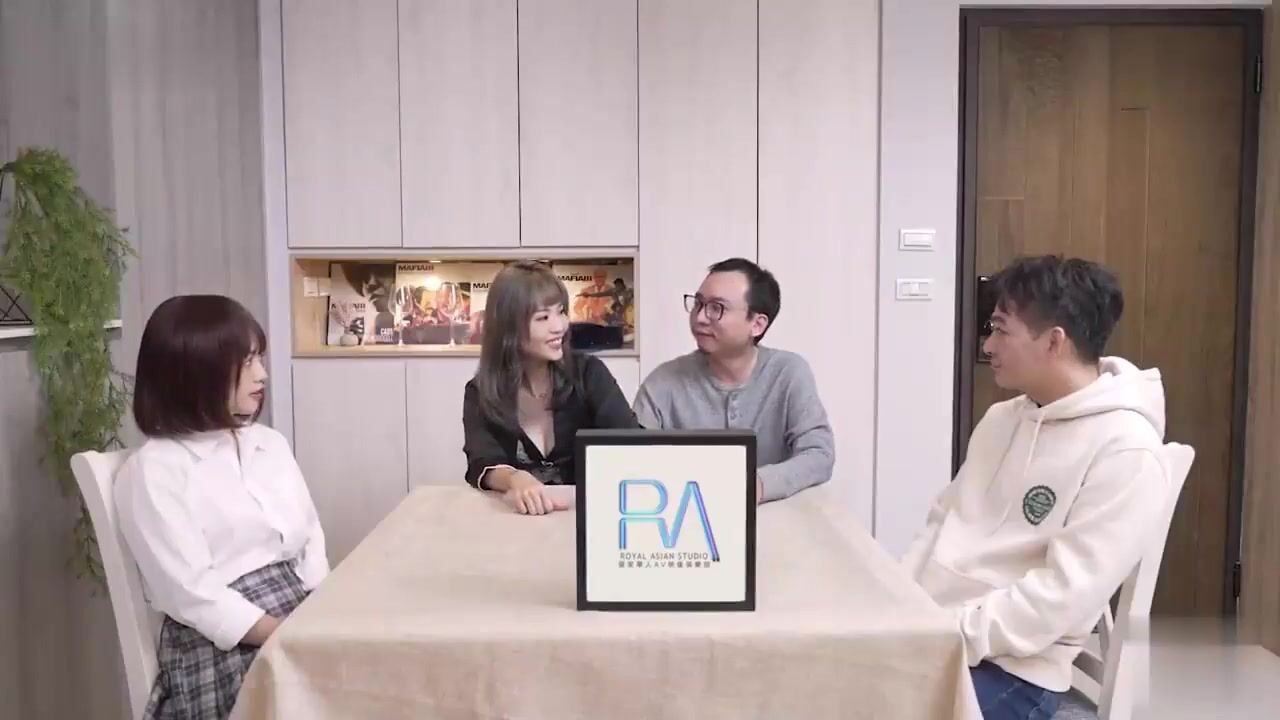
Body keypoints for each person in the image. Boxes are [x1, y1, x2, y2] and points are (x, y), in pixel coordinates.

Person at [901, 256, 1169, 720]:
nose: (988, 344)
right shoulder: (1001, 418)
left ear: (1054, 341)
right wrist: (899, 605)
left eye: (1000, 330)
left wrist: (943, 631)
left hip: (1016, 670)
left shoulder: (1127, 450)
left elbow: (1059, 598)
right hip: (935, 637)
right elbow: (942, 521)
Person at [115, 295, 329, 719]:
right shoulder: (154, 471)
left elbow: (309, 537)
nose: (262, 374)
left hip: (299, 610)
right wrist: (287, 635)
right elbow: (193, 594)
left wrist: (321, 609)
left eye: (259, 358)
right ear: (194, 371)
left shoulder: (268, 443)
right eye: (246, 362)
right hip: (221, 641)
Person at [633, 257, 834, 503]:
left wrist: (757, 485)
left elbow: (819, 455)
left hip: (775, 516)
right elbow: (632, 462)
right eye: (698, 304)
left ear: (757, 324)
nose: (700, 317)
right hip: (686, 515)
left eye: (717, 308)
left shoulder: (788, 372)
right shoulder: (662, 383)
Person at [463, 260, 640, 515]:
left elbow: (632, 442)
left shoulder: (589, 373)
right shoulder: (481, 391)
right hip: (517, 520)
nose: (559, 326)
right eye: (543, 317)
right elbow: (482, 461)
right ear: (508, 327)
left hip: (590, 515)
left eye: (561, 312)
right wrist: (515, 479)